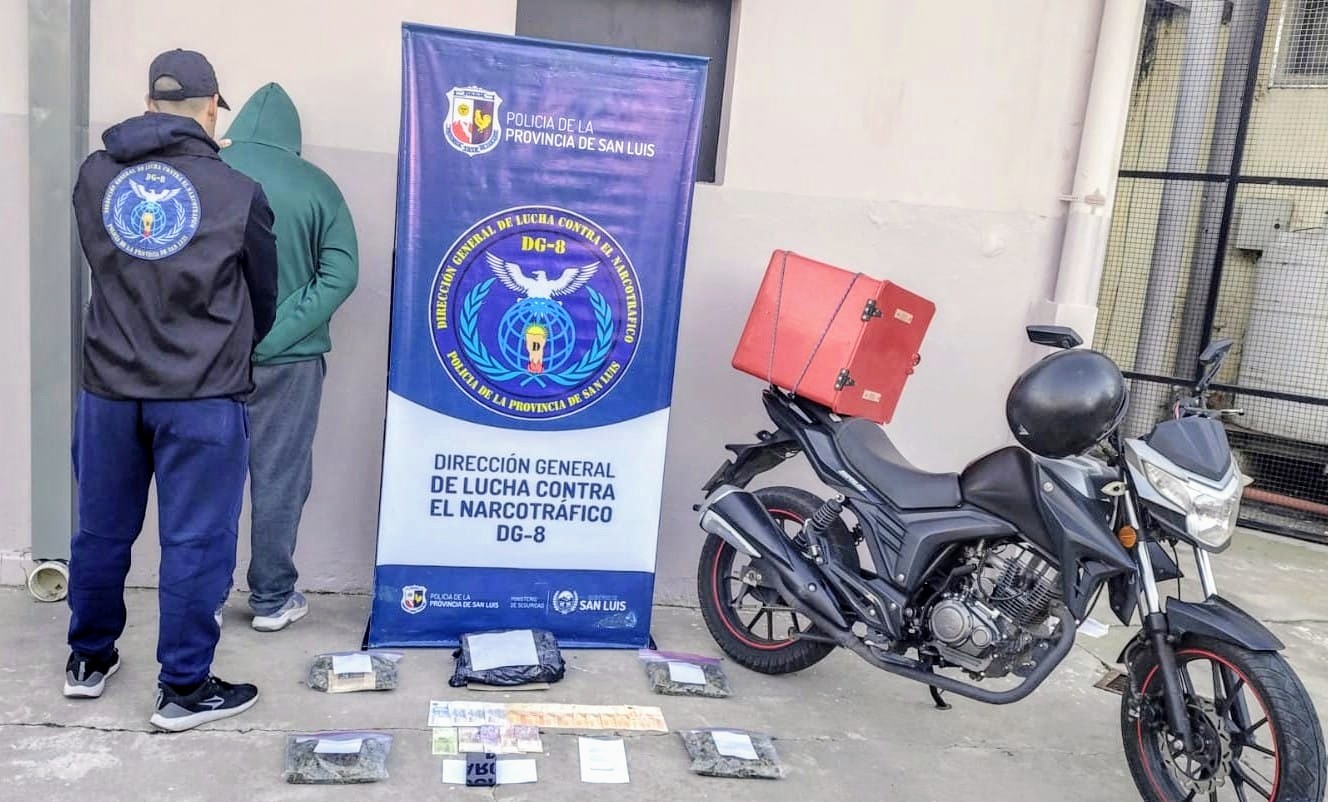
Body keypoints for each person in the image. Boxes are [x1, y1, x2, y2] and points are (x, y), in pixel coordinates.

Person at [64, 49, 278, 732]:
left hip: (108, 386)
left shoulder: (95, 175)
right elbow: (263, 298)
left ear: (149, 104)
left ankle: (88, 659)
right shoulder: (238, 192)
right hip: (202, 392)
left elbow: (105, 262)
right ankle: (183, 688)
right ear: (213, 108)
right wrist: (227, 345)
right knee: (195, 542)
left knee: (101, 528)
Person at [219, 83, 359, 632]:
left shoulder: (207, 172)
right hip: (292, 363)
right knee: (280, 477)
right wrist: (277, 334)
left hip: (208, 359)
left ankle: (206, 597)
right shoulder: (318, 185)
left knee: (208, 479)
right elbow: (340, 275)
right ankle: (273, 599)